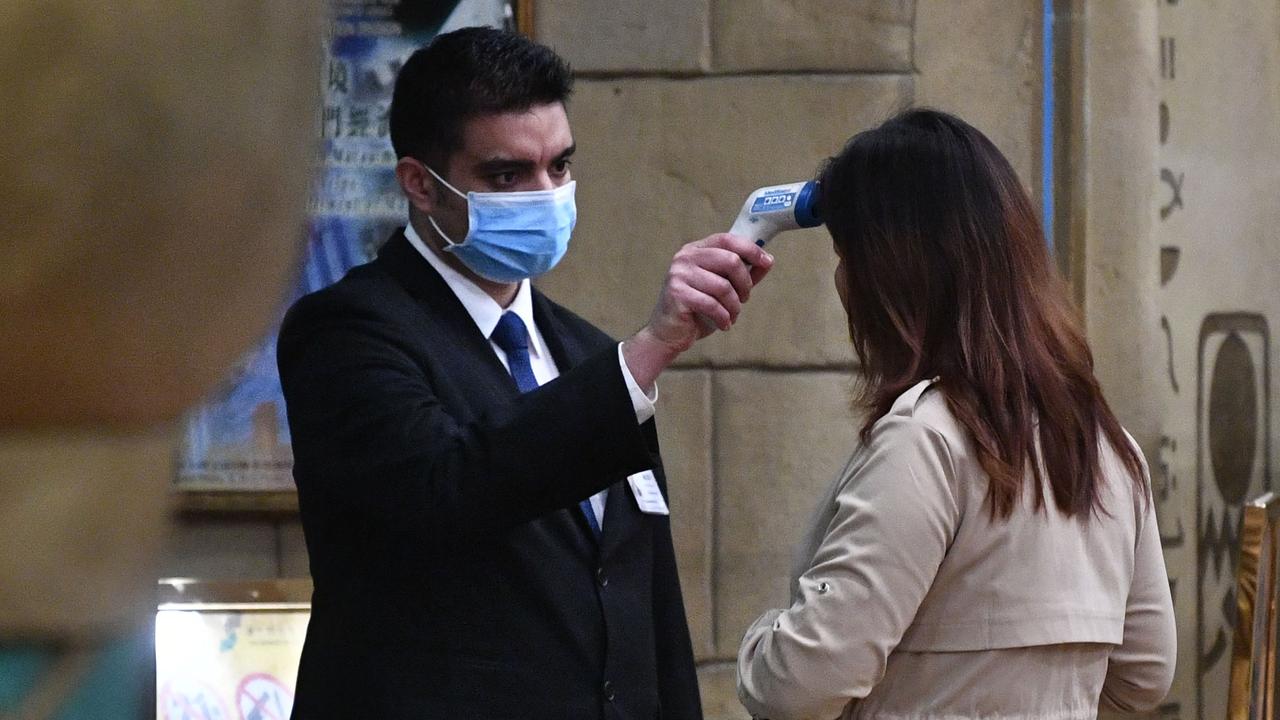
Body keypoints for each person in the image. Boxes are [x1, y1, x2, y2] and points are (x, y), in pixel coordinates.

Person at [278, 27, 773, 719]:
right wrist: (650, 350)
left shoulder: (583, 350)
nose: (545, 194)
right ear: (421, 183)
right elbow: (448, 486)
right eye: (508, 176)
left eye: (560, 166)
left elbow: (646, 599)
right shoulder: (349, 331)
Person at [736, 109, 1176, 720]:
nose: (842, 282)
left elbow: (797, 686)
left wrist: (763, 639)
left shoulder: (926, 443)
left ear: (893, 274)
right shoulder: (1106, 446)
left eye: (847, 257)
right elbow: (1145, 676)